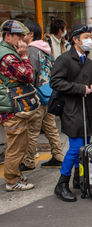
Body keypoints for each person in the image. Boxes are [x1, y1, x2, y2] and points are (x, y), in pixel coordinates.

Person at [50, 24, 92, 202]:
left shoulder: (90, 62)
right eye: (85, 37)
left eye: (90, 37)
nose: (89, 40)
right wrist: (81, 89)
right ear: (75, 40)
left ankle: (80, 178)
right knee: (75, 147)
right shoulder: (64, 60)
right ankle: (62, 183)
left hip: (86, 109)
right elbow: (55, 82)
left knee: (85, 146)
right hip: (71, 109)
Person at [19, 21, 63, 172]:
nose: (21, 36)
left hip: (36, 95)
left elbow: (30, 74)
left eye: (23, 33)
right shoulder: (45, 48)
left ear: (30, 34)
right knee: (51, 128)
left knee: (32, 130)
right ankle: (58, 156)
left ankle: (29, 161)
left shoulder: (31, 50)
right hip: (48, 93)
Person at [0, 20, 35, 191]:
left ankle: (14, 176)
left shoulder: (6, 52)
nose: (23, 40)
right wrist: (25, 56)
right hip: (12, 108)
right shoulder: (8, 57)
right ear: (8, 36)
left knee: (17, 144)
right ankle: (12, 181)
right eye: (19, 36)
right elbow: (28, 75)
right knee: (16, 146)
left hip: (9, 105)